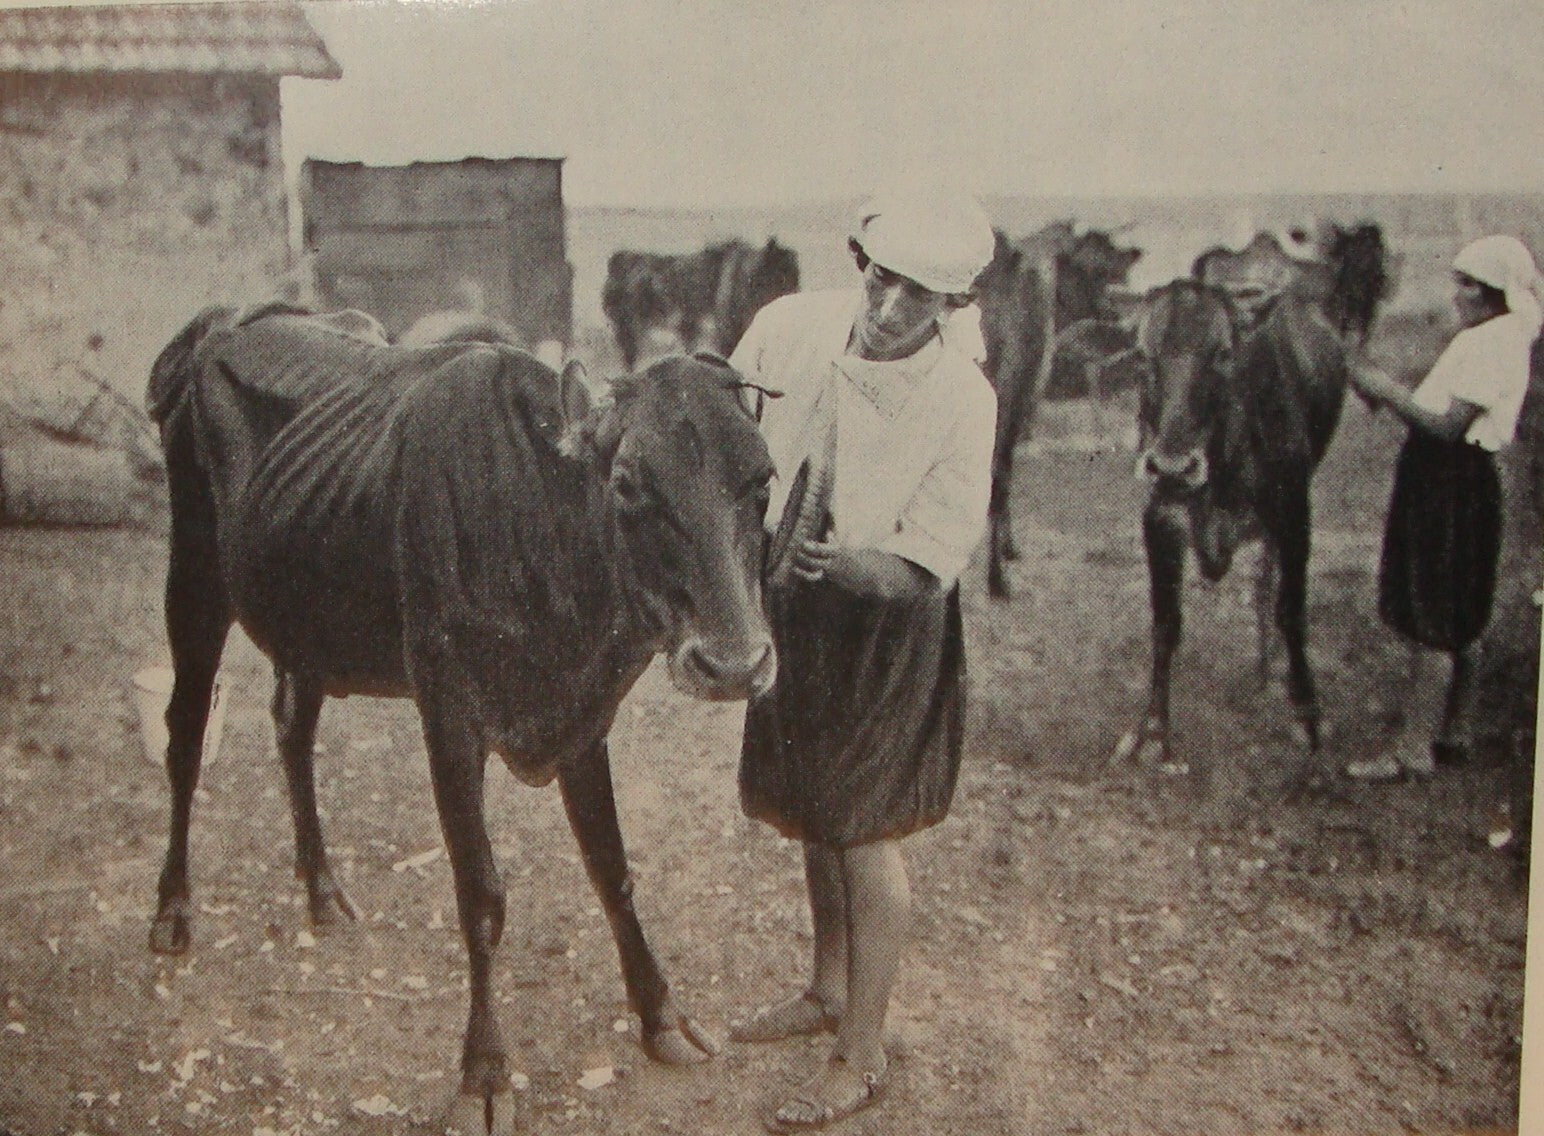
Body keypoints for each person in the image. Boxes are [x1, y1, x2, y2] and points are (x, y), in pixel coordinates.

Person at [726, 186, 996, 1132]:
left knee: (865, 831)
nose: (888, 311)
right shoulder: (788, 329)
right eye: (881, 282)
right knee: (813, 809)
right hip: (794, 605)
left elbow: (926, 563)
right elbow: (725, 427)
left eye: (917, 298)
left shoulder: (965, 399)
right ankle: (827, 989)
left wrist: (838, 562)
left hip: (886, 626)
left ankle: (864, 1052)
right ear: (859, 264)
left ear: (950, 307)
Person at [1344, 234, 1543, 781]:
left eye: (1465, 284)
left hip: (1446, 480)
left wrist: (1383, 388)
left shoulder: (1489, 343)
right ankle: (1452, 731)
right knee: (1459, 611)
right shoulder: (1501, 335)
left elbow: (1447, 425)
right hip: (1462, 481)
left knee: (1432, 617)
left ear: (1488, 291)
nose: (1457, 294)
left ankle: (1412, 749)